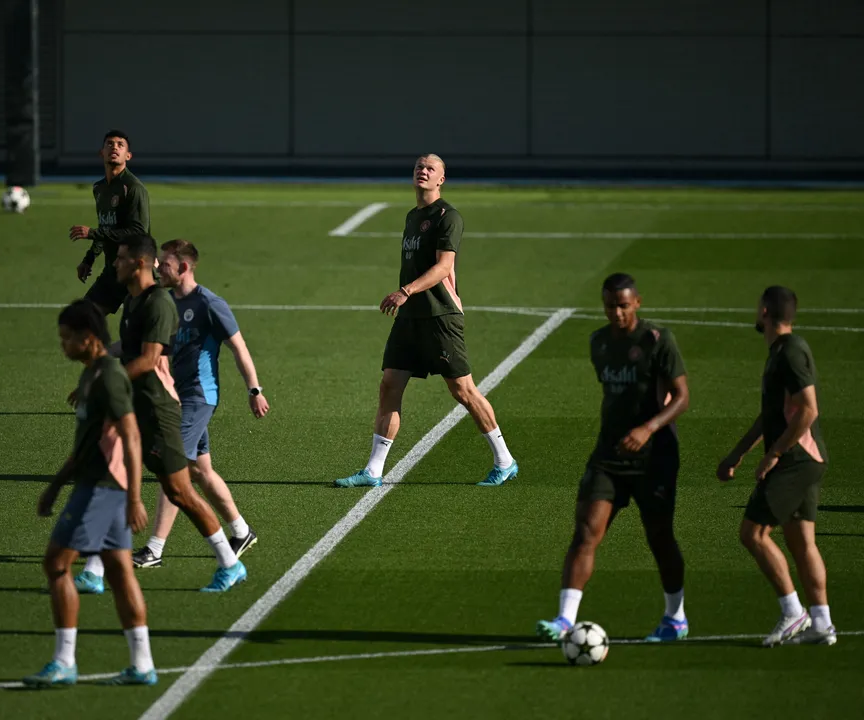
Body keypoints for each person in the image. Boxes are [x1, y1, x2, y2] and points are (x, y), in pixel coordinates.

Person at [334, 153, 518, 488]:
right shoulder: (412, 216)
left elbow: (444, 267)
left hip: (440, 316)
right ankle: (373, 471)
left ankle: (504, 460)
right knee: (390, 384)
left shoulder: (449, 217)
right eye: (419, 167)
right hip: (410, 319)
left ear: (441, 179)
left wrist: (406, 290)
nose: (423, 171)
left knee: (462, 389)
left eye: (431, 168)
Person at [536, 273, 691, 643]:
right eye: (610, 306)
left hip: (655, 456)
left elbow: (682, 397)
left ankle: (675, 618)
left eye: (623, 305)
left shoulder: (658, 340)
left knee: (659, 537)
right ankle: (564, 620)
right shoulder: (599, 343)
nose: (617, 313)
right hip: (608, 454)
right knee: (586, 531)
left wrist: (647, 429)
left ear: (637, 302)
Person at [23, 299, 157, 687]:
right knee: (119, 575)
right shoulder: (90, 375)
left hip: (101, 490)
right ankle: (142, 664)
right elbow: (85, 444)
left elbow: (131, 434)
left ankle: (64, 662)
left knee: (56, 564)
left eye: (67, 338)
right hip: (97, 486)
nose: (62, 345)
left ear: (88, 338)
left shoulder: (110, 377)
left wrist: (134, 496)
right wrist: (55, 485)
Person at [109, 233, 247, 592]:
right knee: (201, 472)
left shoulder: (208, 303)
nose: (160, 267)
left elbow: (238, 347)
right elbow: (151, 350)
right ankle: (241, 532)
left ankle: (154, 548)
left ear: (183, 267)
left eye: (166, 263)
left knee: (176, 476)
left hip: (199, 396)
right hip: (175, 398)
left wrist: (255, 389)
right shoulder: (162, 302)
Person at [717, 286, 836, 646]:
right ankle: (821, 624)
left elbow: (809, 409)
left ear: (765, 311)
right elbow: (770, 415)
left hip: (797, 460)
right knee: (802, 544)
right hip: (802, 459)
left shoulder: (790, 352)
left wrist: (774, 455)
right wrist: (737, 453)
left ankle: (792, 612)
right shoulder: (779, 352)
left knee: (752, 534)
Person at [70, 129, 150, 316]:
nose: (115, 147)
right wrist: (90, 258)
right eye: (110, 144)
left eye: (120, 145)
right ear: (102, 152)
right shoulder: (99, 188)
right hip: (113, 270)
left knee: (137, 336)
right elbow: (106, 227)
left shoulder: (133, 188)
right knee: (84, 318)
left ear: (128, 156)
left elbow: (138, 233)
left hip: (135, 271)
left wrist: (92, 233)